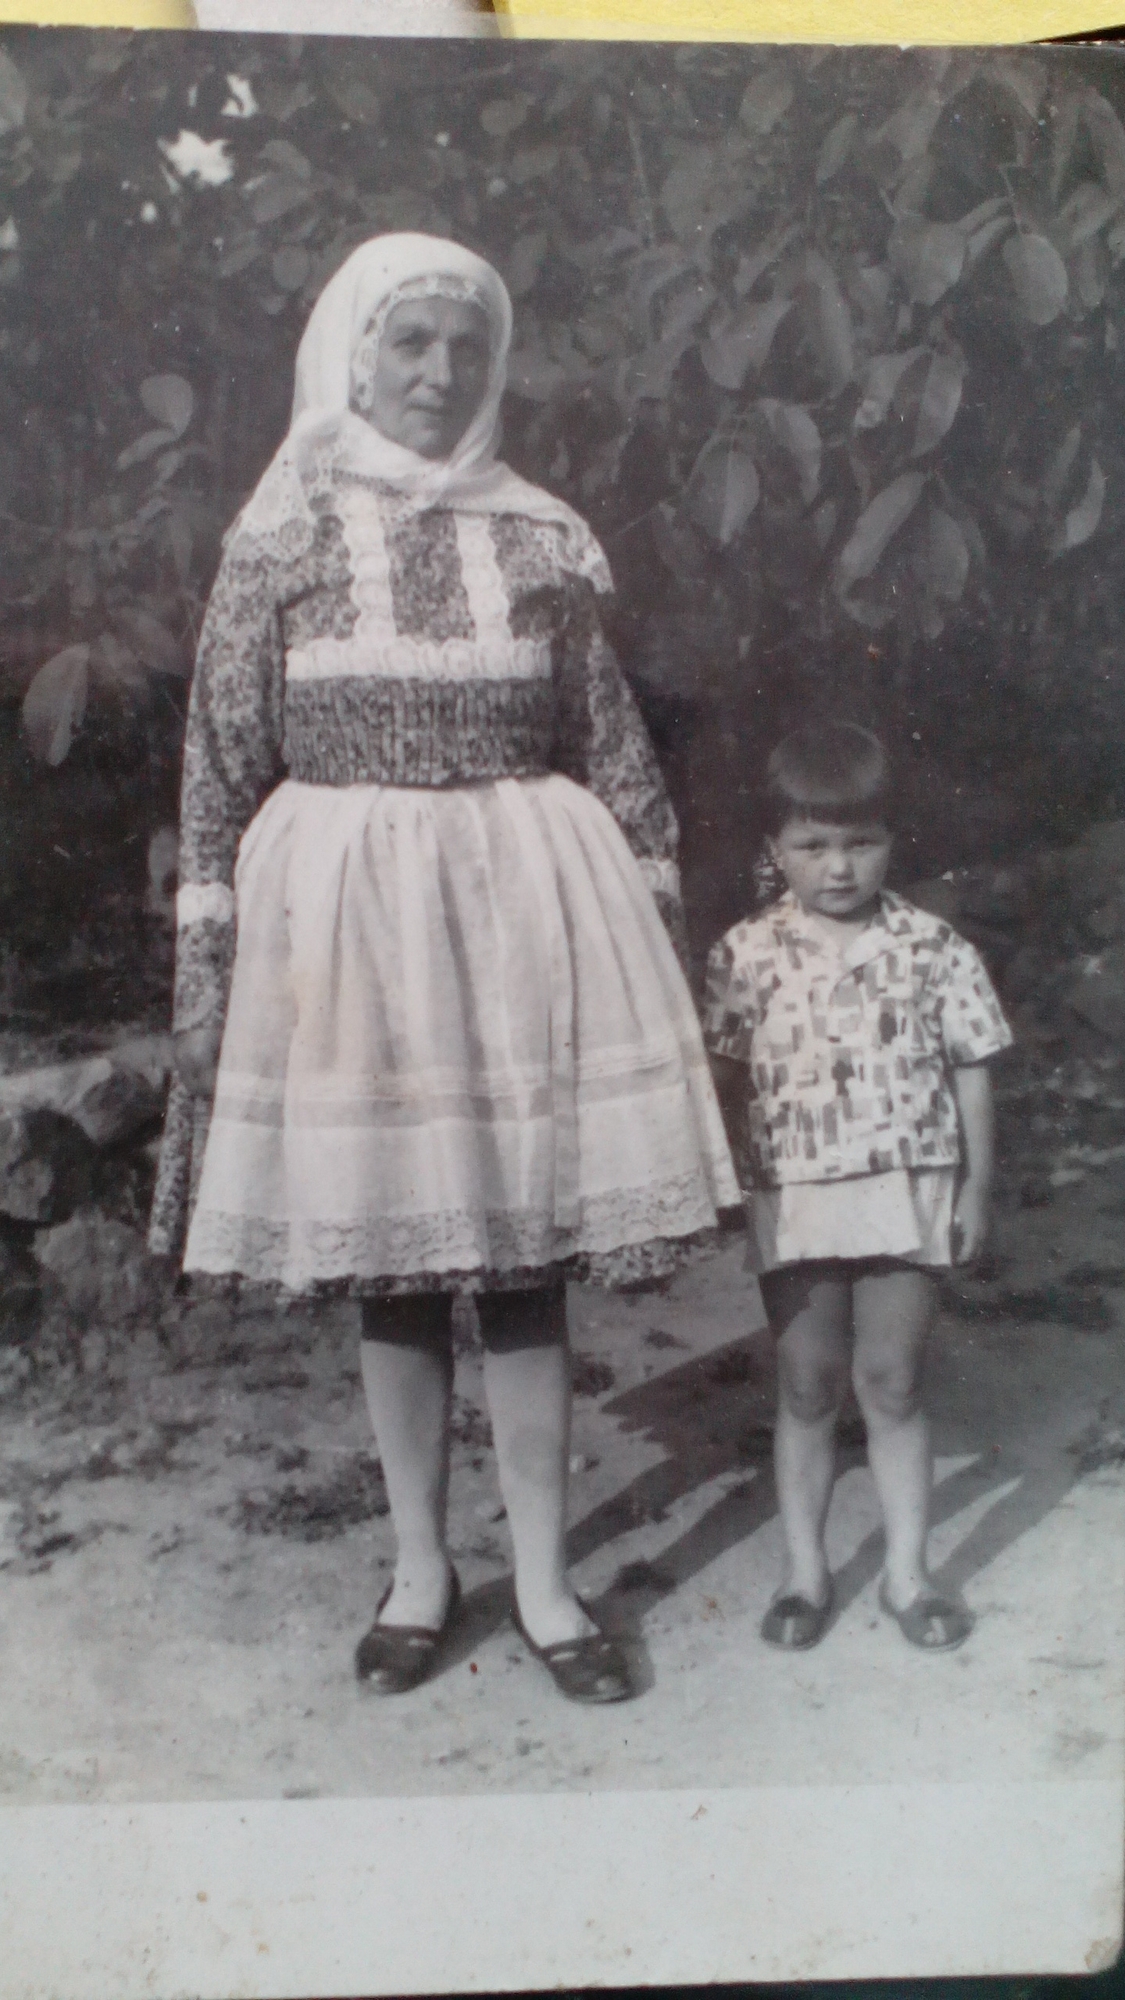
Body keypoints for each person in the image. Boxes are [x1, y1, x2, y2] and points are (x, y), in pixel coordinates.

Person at [149, 233, 740, 1704]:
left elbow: (611, 751)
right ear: (353, 356)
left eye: (465, 346)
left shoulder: (540, 540)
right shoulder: (278, 539)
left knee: (525, 1264)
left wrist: (658, 946)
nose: (440, 372)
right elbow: (217, 772)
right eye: (409, 342)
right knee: (398, 1269)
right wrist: (209, 979)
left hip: (519, 914)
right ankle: (421, 1567)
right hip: (349, 933)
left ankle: (544, 1580)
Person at [702, 722, 1012, 1653]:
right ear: (774, 848)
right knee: (806, 1384)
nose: (837, 867)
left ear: (891, 839)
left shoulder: (933, 946)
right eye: (811, 845)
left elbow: (971, 1073)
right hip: (795, 1196)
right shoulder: (743, 953)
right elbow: (720, 1081)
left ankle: (908, 1574)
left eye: (860, 842)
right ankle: (804, 1572)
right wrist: (725, 1191)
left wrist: (974, 1190)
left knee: (892, 1379)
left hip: (905, 1191)